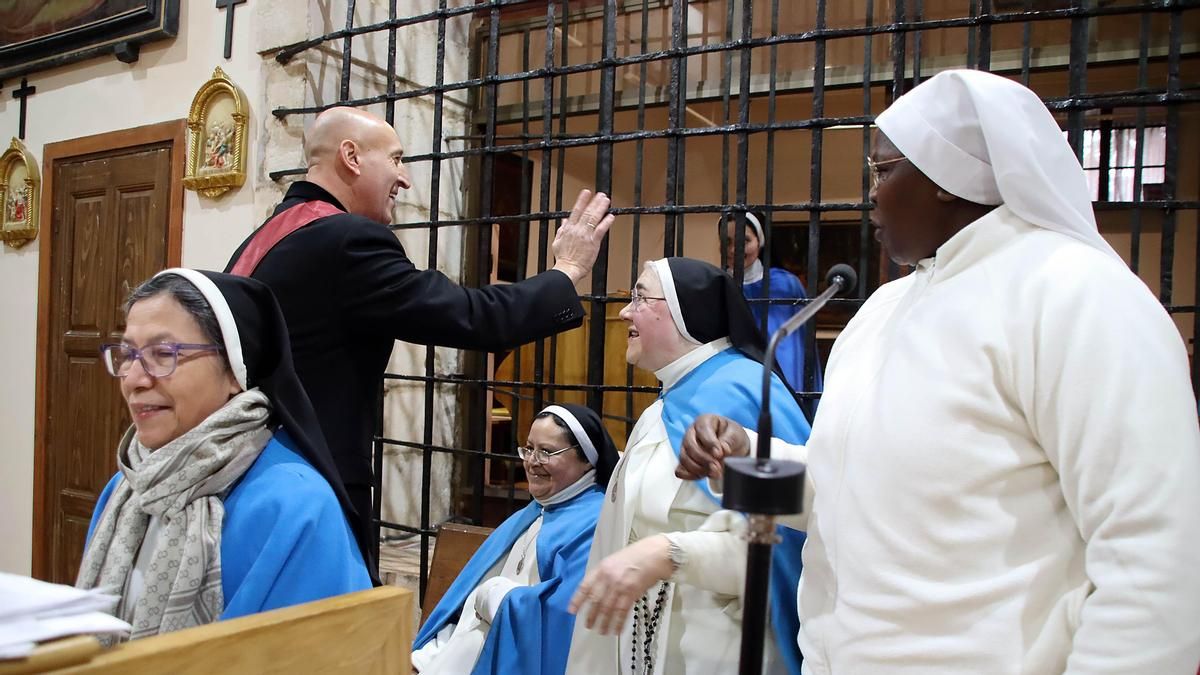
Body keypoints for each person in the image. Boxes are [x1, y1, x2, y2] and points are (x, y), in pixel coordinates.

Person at [677, 69, 1200, 674]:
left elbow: (1155, 556)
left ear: (946, 176)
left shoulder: (1077, 297)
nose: (870, 195)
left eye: (883, 171)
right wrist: (744, 462)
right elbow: (841, 497)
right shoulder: (884, 310)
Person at [224, 106, 615, 562]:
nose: (404, 178)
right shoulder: (346, 239)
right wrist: (567, 270)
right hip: (310, 481)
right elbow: (473, 317)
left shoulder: (269, 233)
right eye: (395, 159)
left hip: (254, 473)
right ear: (350, 156)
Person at [77, 269, 371, 641]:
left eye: (163, 354)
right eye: (127, 354)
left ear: (235, 370)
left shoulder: (295, 505)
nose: (135, 379)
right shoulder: (125, 488)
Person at [566, 258, 812, 675]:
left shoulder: (741, 391)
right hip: (648, 638)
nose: (625, 311)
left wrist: (668, 555)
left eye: (640, 296)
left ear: (683, 311)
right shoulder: (669, 399)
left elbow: (779, 546)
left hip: (717, 648)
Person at [411, 404, 620, 674]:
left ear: (587, 460)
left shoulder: (594, 522)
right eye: (528, 448)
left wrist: (496, 595)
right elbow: (462, 606)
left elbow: (565, 617)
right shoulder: (534, 511)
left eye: (546, 452)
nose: (532, 462)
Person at [720, 210, 823, 406]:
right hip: (734, 383)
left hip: (782, 380)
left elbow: (797, 348)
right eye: (727, 242)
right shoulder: (718, 284)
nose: (734, 249)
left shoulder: (786, 285)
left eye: (744, 241)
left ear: (760, 241)